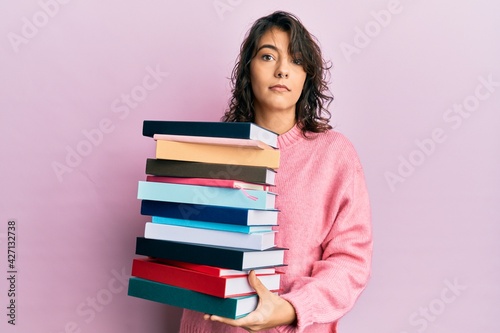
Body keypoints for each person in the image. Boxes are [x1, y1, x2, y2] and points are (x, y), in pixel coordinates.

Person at [179, 11, 372, 333]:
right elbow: (185, 246)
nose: (282, 70)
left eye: (296, 61)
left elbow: (351, 262)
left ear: (307, 77)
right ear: (248, 71)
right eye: (268, 56)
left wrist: (290, 309)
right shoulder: (210, 151)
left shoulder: (335, 155)